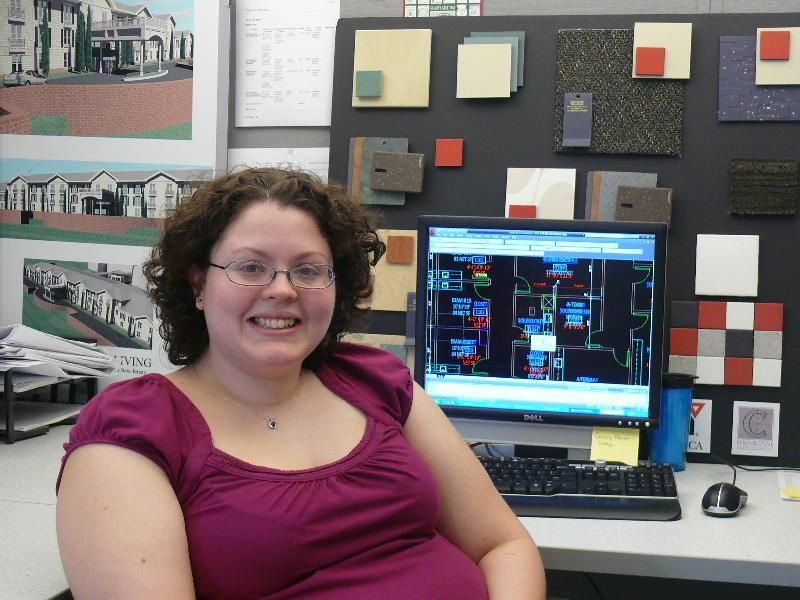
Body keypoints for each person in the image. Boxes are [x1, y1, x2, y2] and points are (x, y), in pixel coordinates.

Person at [56, 167, 546, 599]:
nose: (283, 290)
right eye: (251, 267)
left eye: (308, 270)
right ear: (198, 283)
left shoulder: (375, 383)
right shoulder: (136, 430)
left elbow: (502, 544)